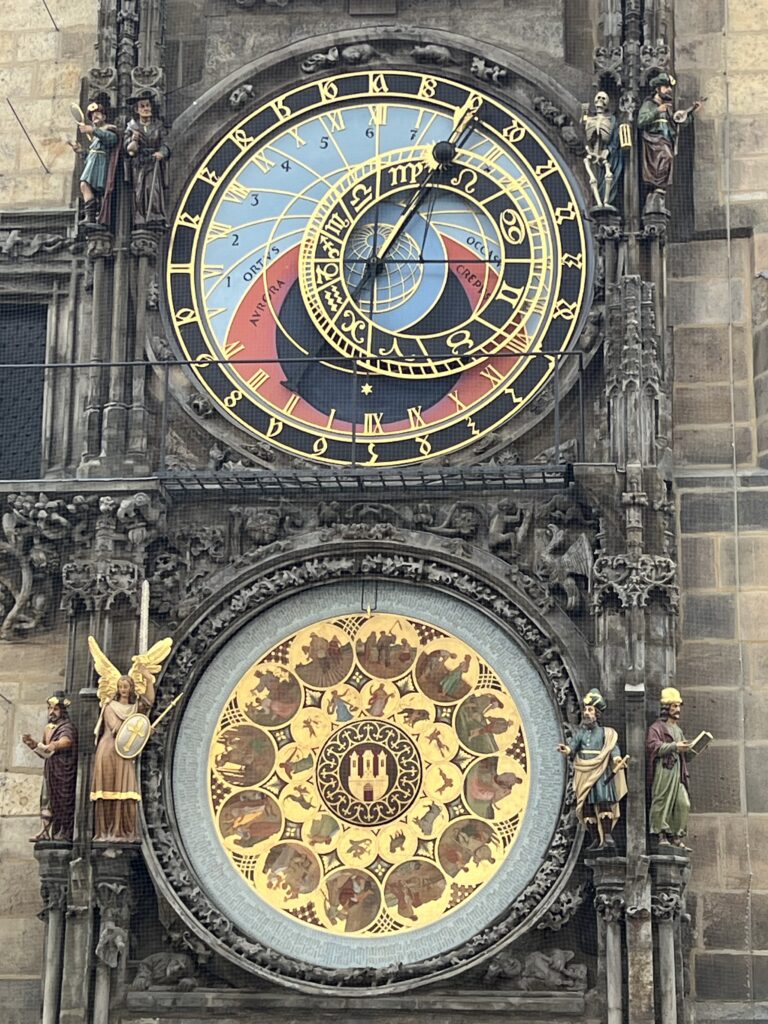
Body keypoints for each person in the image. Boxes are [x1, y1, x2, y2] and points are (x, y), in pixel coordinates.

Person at [88, 635, 173, 842]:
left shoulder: (135, 707)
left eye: (127, 686)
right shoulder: (109, 707)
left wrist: (147, 676)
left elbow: (150, 701)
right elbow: (117, 729)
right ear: (117, 688)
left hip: (125, 752)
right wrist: (142, 731)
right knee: (109, 789)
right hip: (110, 750)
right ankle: (105, 831)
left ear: (131, 688)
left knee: (127, 790)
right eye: (121, 686)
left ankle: (124, 830)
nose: (124, 689)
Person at [557, 689, 627, 851]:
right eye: (585, 710)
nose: (586, 713)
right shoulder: (581, 733)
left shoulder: (605, 733)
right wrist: (567, 750)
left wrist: (616, 759)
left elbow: (612, 748)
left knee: (604, 803)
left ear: (597, 714)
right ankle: (595, 837)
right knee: (586, 806)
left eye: (590, 710)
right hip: (584, 771)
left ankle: (607, 836)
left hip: (601, 772)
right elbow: (573, 746)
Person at [646, 686, 699, 851]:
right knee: (662, 800)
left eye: (678, 706)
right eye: (674, 706)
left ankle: (676, 834)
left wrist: (695, 748)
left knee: (683, 803)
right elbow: (653, 746)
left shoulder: (678, 730)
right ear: (666, 708)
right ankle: (661, 834)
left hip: (678, 771)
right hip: (664, 770)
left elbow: (685, 756)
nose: (677, 710)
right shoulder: (657, 728)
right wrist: (675, 746)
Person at [22, 691, 78, 841]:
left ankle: (65, 832)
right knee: (46, 799)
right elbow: (44, 752)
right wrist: (33, 745)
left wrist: (55, 744)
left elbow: (67, 741)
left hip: (63, 771)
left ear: (63, 711)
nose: (51, 712)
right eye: (50, 708)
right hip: (50, 769)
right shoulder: (48, 728)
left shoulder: (67, 726)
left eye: (55, 709)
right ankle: (45, 831)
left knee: (63, 802)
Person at [638, 73, 700, 195]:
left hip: (665, 140)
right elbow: (641, 122)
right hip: (653, 142)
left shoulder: (668, 108)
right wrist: (657, 111)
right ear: (657, 89)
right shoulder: (649, 104)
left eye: (670, 87)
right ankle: (656, 186)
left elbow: (676, 122)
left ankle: (660, 186)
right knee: (666, 156)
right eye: (666, 87)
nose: (669, 90)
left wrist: (691, 112)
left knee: (667, 158)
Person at [124, 93, 171, 226]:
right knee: (139, 190)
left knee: (153, 188)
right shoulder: (132, 127)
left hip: (153, 161)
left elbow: (165, 143)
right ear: (137, 110)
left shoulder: (158, 126)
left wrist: (162, 153)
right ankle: (140, 216)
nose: (146, 109)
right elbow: (127, 148)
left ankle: (155, 215)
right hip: (138, 164)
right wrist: (133, 140)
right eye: (142, 106)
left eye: (148, 106)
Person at [68, 102, 118, 225]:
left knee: (87, 186)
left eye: (97, 114)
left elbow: (112, 140)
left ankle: (94, 216)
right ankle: (91, 216)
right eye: (92, 116)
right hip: (93, 164)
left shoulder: (109, 129)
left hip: (102, 165)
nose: (95, 117)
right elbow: (91, 156)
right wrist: (81, 151)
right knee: (85, 185)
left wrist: (93, 130)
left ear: (104, 117)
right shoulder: (95, 137)